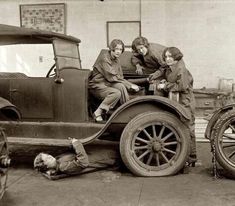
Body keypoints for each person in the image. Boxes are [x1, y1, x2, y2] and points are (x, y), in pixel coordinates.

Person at [156, 47, 197, 165]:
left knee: (188, 128)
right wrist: (166, 82)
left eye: (170, 57)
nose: (167, 59)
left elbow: (182, 86)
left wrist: (165, 86)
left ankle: (191, 157)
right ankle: (183, 156)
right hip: (179, 101)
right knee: (181, 127)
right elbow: (172, 80)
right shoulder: (172, 67)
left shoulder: (181, 68)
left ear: (176, 57)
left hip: (186, 101)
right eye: (166, 57)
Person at [89, 39, 139, 122]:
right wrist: (130, 85)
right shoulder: (104, 59)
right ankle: (98, 112)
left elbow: (120, 77)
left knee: (121, 86)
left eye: (120, 49)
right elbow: (112, 77)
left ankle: (126, 110)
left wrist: (129, 85)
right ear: (111, 49)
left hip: (108, 83)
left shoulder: (116, 60)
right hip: (98, 85)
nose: (118, 52)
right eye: (116, 49)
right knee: (116, 93)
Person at [34, 138, 117, 179]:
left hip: (95, 154)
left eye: (47, 155)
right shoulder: (62, 167)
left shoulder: (57, 159)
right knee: (116, 150)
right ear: (46, 166)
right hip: (106, 158)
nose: (49, 156)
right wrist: (76, 143)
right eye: (46, 159)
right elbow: (83, 163)